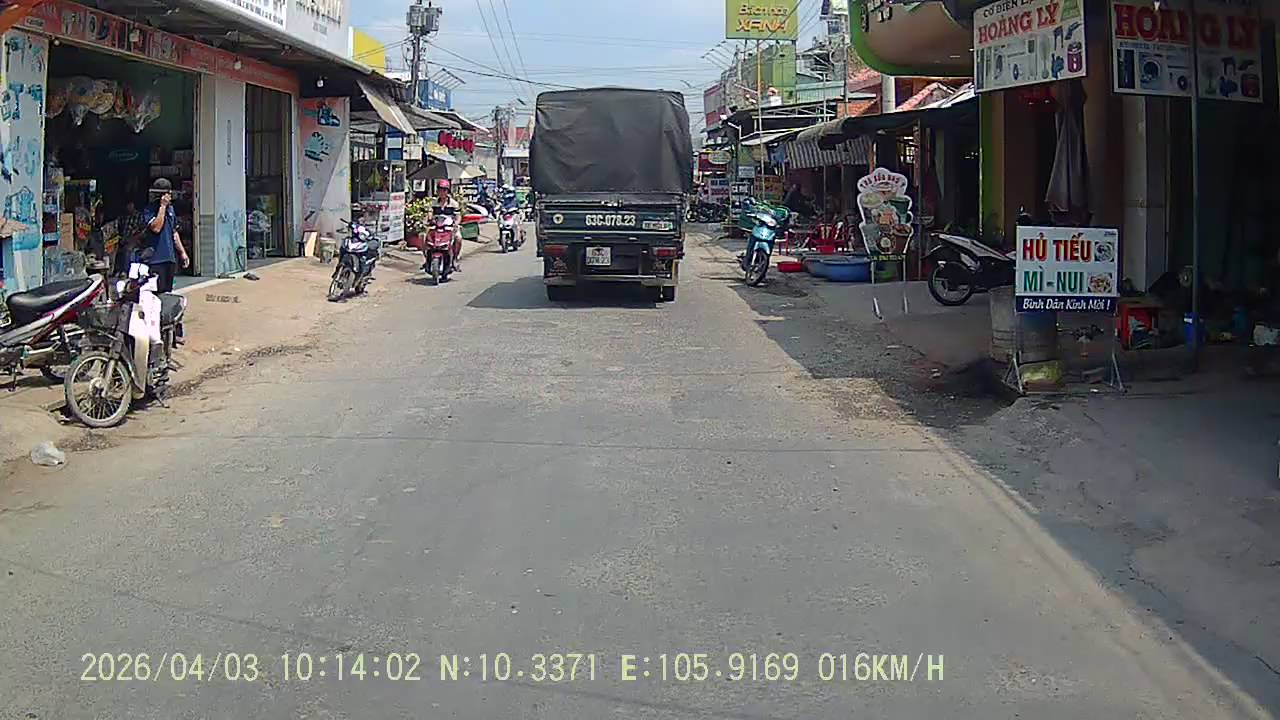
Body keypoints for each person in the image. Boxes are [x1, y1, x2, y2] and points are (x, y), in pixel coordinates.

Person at [141, 178, 189, 292]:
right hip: (156, 259)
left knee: (168, 291)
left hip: (169, 258)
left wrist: (182, 252)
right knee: (158, 290)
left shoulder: (171, 209)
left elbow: (174, 232)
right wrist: (162, 207)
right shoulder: (150, 209)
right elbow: (156, 228)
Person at [428, 178, 462, 273]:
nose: (442, 192)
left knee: (458, 238)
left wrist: (456, 223)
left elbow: (458, 216)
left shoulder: (454, 204)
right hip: (437, 227)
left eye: (444, 190)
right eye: (440, 190)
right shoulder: (434, 203)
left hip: (450, 227)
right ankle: (427, 259)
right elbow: (430, 213)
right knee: (424, 237)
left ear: (447, 191)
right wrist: (429, 219)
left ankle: (455, 259)